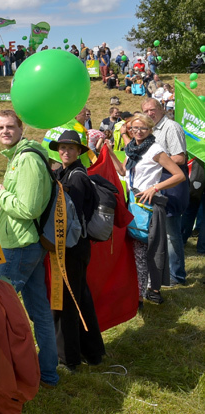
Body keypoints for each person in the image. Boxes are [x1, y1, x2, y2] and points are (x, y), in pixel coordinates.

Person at [0, 110, 59, 387]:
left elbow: (28, 208)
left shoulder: (28, 159)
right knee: (39, 311)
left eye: (9, 126)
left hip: (19, 246)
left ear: (21, 128)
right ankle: (47, 373)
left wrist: (0, 193)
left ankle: (5, 374)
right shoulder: (17, 157)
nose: (4, 131)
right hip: (21, 243)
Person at [105, 113, 185, 305]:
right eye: (134, 128)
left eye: (142, 128)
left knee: (153, 250)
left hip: (149, 205)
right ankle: (140, 293)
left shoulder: (155, 149)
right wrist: (110, 154)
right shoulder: (131, 147)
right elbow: (124, 172)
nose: (138, 132)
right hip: (133, 202)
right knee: (138, 251)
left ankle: (150, 291)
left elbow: (179, 175)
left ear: (150, 129)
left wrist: (155, 188)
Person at [48, 130, 105, 370]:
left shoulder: (77, 177)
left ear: (80, 151)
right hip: (71, 246)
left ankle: (69, 358)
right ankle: (93, 353)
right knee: (80, 298)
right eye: (62, 147)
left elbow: (73, 216)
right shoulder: (64, 172)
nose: (65, 151)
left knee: (67, 303)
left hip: (71, 246)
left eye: (71, 148)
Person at [141, 98, 189, 286]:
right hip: (155, 186)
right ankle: (162, 273)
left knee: (171, 233)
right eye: (146, 111)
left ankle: (177, 276)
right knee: (158, 232)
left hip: (171, 185)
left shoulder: (171, 127)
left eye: (153, 110)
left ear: (161, 109)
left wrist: (157, 160)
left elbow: (179, 158)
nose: (150, 113)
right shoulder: (149, 130)